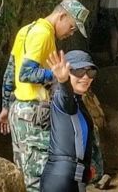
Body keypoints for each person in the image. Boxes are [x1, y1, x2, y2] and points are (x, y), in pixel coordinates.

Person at [0, 0, 90, 192]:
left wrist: (6, 106)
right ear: (62, 16)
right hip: (33, 114)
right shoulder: (43, 34)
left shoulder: (28, 29)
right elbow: (25, 74)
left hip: (19, 110)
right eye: (72, 27)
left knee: (25, 173)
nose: (71, 33)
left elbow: (10, 70)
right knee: (39, 177)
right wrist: (57, 75)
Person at [40, 50, 98, 192]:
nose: (85, 77)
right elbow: (67, 98)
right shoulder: (62, 96)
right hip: (60, 180)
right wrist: (63, 81)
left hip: (72, 178)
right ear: (67, 71)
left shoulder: (78, 101)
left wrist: (86, 167)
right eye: (78, 71)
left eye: (90, 72)